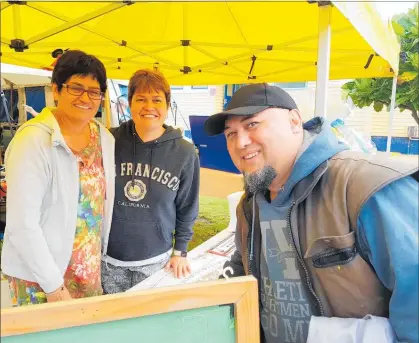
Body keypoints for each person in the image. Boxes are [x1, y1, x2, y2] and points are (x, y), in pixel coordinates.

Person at [203, 83, 419, 343]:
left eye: (252, 125)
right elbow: (244, 262)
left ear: (294, 121)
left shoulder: (366, 187)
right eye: (230, 134)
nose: (241, 142)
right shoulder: (250, 204)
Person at [1, 50, 115, 306]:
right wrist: (53, 286)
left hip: (87, 272)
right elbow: (22, 224)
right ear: (56, 89)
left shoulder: (105, 139)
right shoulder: (32, 141)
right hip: (40, 278)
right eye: (76, 87)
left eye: (94, 91)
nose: (85, 97)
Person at [101, 69, 199, 294]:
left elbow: (187, 206)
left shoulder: (184, 152)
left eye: (156, 100)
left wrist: (180, 251)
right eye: (141, 99)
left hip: (156, 262)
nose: (149, 106)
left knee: (149, 325)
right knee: (113, 324)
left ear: (167, 105)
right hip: (109, 260)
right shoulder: (108, 140)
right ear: (129, 103)